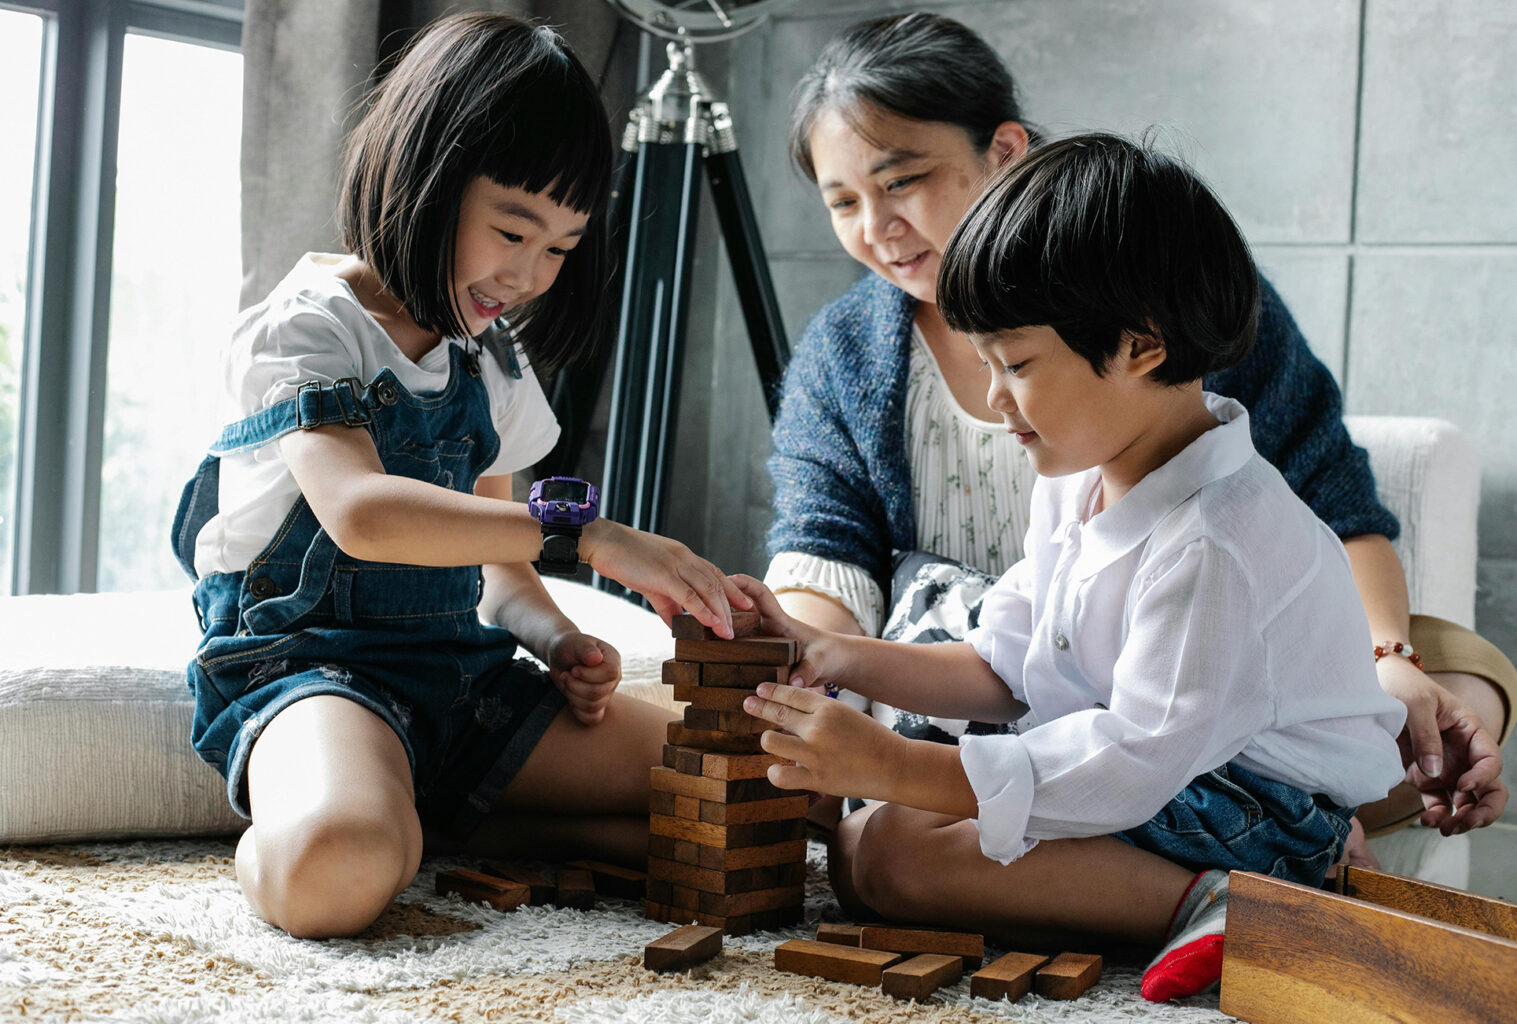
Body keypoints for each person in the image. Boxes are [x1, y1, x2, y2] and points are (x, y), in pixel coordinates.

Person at [764, 11, 1512, 846]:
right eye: (841, 202)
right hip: (1013, 656)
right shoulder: (887, 372)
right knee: (889, 840)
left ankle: (1294, 859)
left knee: (1460, 678)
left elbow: (1335, 510)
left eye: (900, 180)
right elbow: (846, 567)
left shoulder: (1163, 288)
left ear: (1001, 150)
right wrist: (816, 654)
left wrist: (1389, 661)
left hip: (1204, 707)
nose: (876, 228)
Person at [738, 132, 1408, 1001]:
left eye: (1014, 363)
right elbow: (1005, 664)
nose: (992, 400)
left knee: (893, 851)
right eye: (982, 363)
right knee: (868, 848)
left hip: (1259, 811)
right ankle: (1182, 898)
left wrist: (898, 768)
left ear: (1141, 346)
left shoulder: (1217, 539)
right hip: (1167, 777)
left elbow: (1133, 758)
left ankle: (1248, 910)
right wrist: (830, 653)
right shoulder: (1076, 477)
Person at [169, 12, 750, 940]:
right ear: (428, 179)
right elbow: (363, 513)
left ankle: (437, 817)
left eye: (559, 247)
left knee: (750, 795)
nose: (526, 274)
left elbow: (502, 571)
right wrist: (590, 535)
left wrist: (559, 639)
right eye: (511, 230)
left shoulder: (491, 357)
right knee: (336, 870)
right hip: (317, 671)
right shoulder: (310, 325)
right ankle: (357, 818)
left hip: (462, 685)